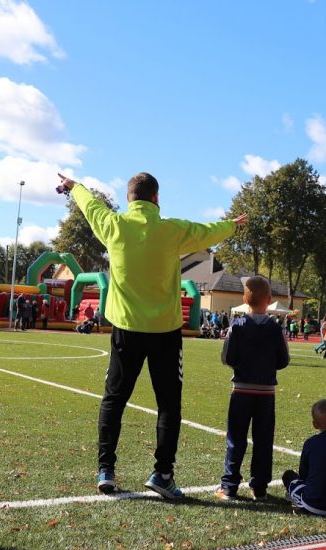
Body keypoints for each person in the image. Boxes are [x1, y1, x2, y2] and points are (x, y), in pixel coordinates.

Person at [60, 171, 247, 498]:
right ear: (156, 199)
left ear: (130, 198)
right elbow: (206, 232)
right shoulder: (172, 230)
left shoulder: (114, 225)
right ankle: (162, 473)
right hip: (164, 332)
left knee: (114, 399)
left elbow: (90, 205)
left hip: (126, 330)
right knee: (168, 404)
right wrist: (232, 224)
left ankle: (106, 469)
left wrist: (74, 187)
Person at [216, 276, 290, 501]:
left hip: (241, 390)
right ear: (269, 299)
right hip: (266, 392)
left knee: (235, 438)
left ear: (244, 299)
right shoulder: (276, 329)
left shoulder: (236, 326)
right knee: (263, 439)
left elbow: (227, 356)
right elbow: (283, 360)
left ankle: (229, 486)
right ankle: (259, 487)